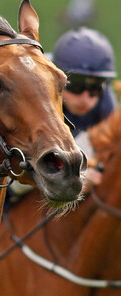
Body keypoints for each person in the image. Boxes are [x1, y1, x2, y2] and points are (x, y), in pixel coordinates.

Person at [53, 27, 116, 188]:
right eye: (76, 87)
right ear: (56, 77)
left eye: (96, 88)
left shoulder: (107, 106)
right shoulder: (36, 92)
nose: (86, 98)